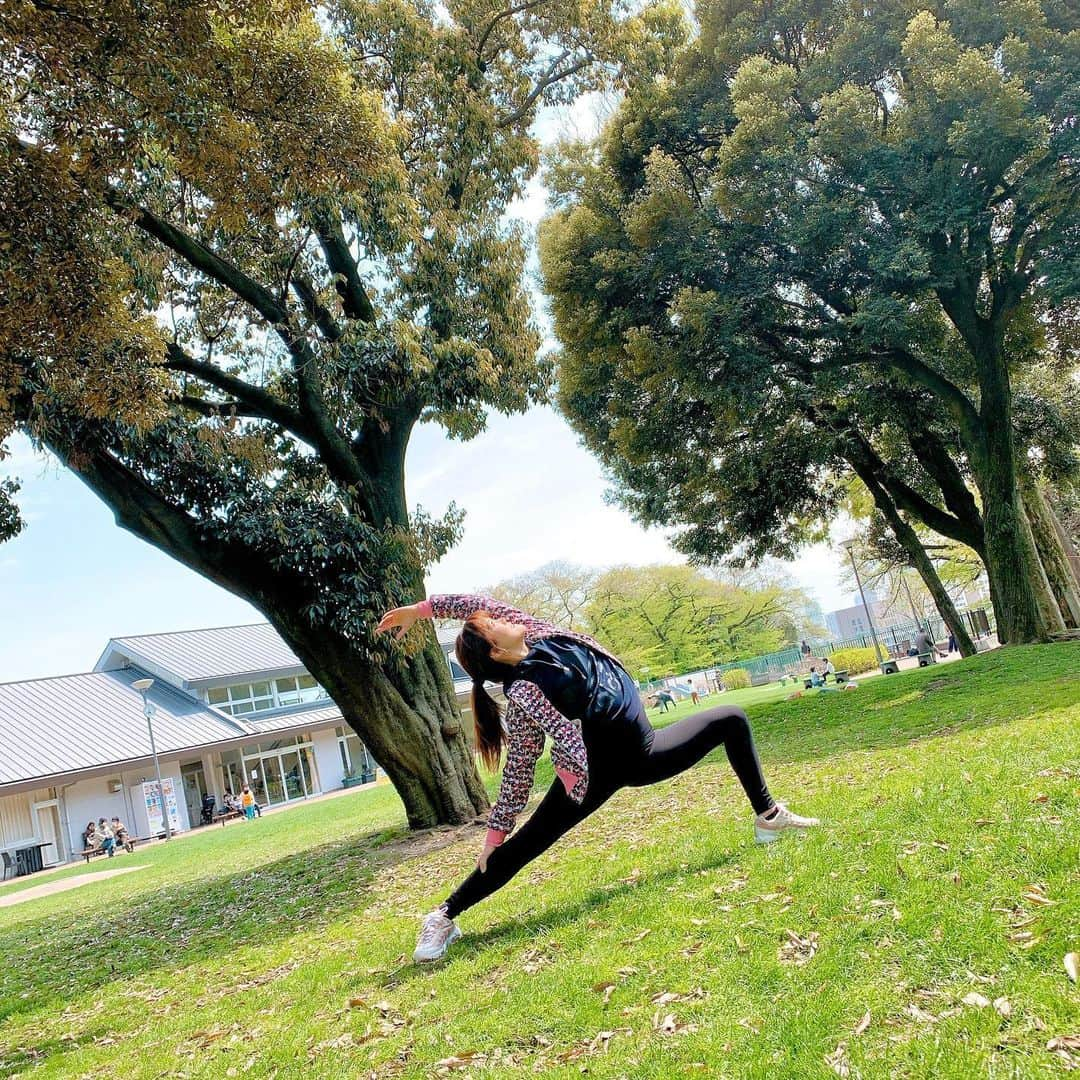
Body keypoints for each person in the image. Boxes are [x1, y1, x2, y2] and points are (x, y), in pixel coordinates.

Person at [376, 594, 819, 964]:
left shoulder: (539, 633)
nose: (501, 617)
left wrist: (421, 611)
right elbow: (521, 767)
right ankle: (444, 916)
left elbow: (476, 601)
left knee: (733, 719)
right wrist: (495, 831)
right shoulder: (524, 692)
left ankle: (768, 817)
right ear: (496, 649)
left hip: (646, 746)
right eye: (493, 624)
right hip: (599, 769)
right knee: (525, 844)